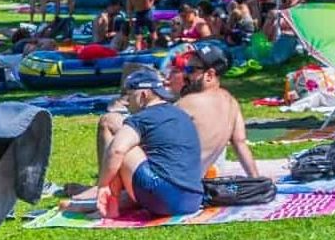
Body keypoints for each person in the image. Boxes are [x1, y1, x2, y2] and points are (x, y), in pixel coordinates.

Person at [96, 70, 205, 218]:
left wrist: (103, 185)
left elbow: (117, 150)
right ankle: (121, 197)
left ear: (143, 95)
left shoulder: (143, 118)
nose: (127, 102)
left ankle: (110, 201)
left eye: (129, 95)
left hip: (162, 197)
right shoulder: (181, 114)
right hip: (193, 200)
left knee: (115, 134)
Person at [170, 48, 259, 179]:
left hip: (175, 179)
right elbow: (240, 143)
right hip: (199, 178)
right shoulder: (232, 103)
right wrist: (256, 178)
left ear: (210, 75)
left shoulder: (187, 103)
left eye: (190, 70)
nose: (185, 75)